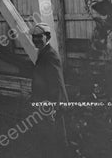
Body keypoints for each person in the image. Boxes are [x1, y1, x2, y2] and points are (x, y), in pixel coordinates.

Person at [29, 22, 69, 157]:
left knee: (55, 141)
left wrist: (51, 108)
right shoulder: (43, 52)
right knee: (49, 140)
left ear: (48, 37)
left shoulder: (50, 55)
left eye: (39, 37)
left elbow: (57, 83)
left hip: (51, 106)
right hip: (46, 104)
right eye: (34, 37)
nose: (35, 40)